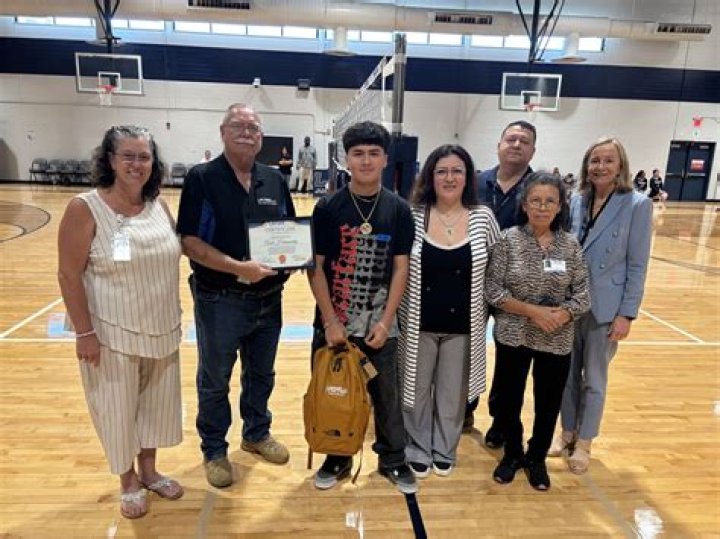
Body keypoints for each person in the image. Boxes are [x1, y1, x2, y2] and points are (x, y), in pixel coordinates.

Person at [57, 125, 184, 519]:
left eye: (144, 156)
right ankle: (128, 480)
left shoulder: (158, 204)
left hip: (161, 326)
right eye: (128, 155)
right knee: (118, 409)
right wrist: (85, 333)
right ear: (110, 160)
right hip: (111, 331)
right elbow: (68, 275)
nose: (136, 164)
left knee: (155, 406)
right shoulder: (85, 207)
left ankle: (149, 471)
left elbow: (178, 251)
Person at [177, 103, 295, 488]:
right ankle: (214, 449)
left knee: (262, 373)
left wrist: (294, 258)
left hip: (269, 299)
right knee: (215, 379)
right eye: (238, 125)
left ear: (261, 137)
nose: (247, 132)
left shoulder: (274, 179)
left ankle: (256, 433)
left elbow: (289, 231)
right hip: (220, 298)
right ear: (223, 132)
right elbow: (190, 242)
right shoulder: (202, 178)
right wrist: (238, 268)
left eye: (253, 127)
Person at [306, 121, 417, 494]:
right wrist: (330, 321)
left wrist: (386, 322)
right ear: (346, 159)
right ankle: (337, 456)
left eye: (373, 153)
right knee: (334, 394)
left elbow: (401, 268)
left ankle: (393, 459)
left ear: (385, 159)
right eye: (358, 153)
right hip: (333, 325)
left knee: (387, 396)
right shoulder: (328, 207)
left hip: (380, 326)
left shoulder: (399, 210)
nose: (366, 161)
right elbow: (315, 268)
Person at [551, 137, 653, 474]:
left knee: (594, 378)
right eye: (594, 160)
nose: (600, 166)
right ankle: (567, 431)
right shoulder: (576, 200)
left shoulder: (637, 205)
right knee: (567, 375)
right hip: (570, 304)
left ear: (620, 165)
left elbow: (637, 264)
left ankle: (585, 442)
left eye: (608, 160)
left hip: (606, 307)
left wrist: (627, 313)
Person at [398, 145, 499, 479]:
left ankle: (444, 448)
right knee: (414, 389)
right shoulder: (412, 215)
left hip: (463, 326)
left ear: (468, 177)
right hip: (418, 322)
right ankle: (417, 447)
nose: (449, 178)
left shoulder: (483, 218)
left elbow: (498, 268)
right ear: (430, 176)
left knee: (452, 394)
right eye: (441, 171)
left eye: (457, 171)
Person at [485, 172, 590, 491]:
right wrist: (534, 312)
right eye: (535, 200)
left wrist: (562, 314)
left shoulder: (570, 246)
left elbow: (583, 295)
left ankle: (536, 457)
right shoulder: (508, 240)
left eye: (549, 201)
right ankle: (512, 453)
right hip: (514, 335)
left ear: (559, 207)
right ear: (524, 205)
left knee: (548, 402)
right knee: (509, 399)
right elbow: (493, 290)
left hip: (556, 339)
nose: (542, 207)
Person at [472, 120, 537, 448]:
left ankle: (501, 420)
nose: (516, 144)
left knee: (511, 358)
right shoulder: (474, 182)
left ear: (533, 151)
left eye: (524, 141)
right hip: (472, 282)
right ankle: (464, 408)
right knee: (468, 348)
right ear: (499, 145)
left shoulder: (539, 188)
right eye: (511, 138)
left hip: (515, 289)